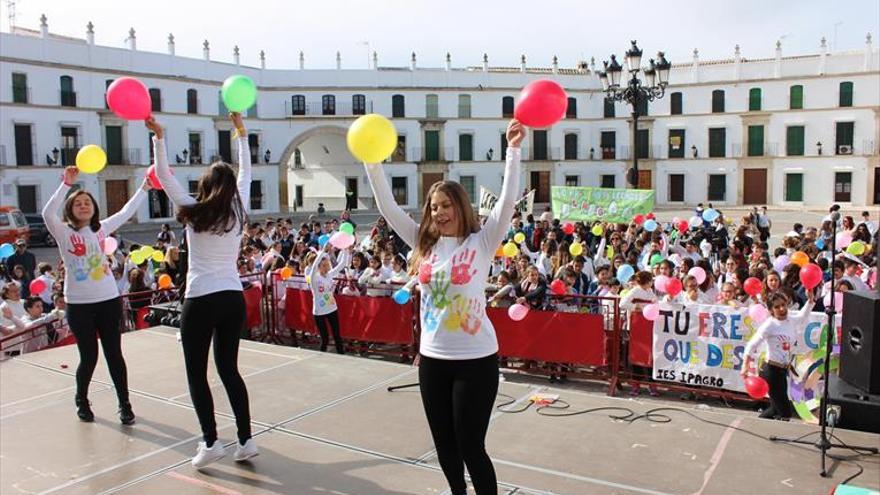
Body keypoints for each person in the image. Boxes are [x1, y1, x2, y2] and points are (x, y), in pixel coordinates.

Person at [363, 119, 524, 495]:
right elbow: (388, 208)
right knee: (445, 447)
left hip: (476, 360)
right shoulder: (423, 244)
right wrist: (372, 161)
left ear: (460, 206)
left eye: (446, 205)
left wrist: (513, 150)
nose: (439, 212)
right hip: (432, 360)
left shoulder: (482, 241)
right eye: (434, 206)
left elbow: (506, 200)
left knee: (471, 446)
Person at [148, 112, 258, 469]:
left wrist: (160, 137)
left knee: (197, 373)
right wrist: (241, 133)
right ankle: (245, 440)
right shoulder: (238, 211)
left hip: (200, 298)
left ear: (205, 185)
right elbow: (247, 173)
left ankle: (211, 441)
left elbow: (164, 176)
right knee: (230, 370)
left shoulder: (194, 210)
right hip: (232, 297)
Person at [42, 165, 149, 424]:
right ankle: (82, 399)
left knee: (114, 354)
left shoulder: (101, 229)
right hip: (79, 305)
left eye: (87, 202)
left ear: (94, 207)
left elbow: (126, 211)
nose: (83, 205)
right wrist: (66, 184)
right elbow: (47, 213)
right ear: (70, 209)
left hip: (108, 301)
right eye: (77, 203)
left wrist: (145, 188)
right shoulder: (63, 231)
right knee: (88, 356)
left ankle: (124, 404)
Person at [742, 290, 815, 420]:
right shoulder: (770, 325)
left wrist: (810, 300)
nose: (782, 309)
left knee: (775, 408)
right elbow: (751, 345)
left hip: (782, 371)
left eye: (783, 305)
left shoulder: (791, 320)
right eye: (777, 307)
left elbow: (802, 316)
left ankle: (757, 425)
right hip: (770, 371)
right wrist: (745, 365)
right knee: (785, 412)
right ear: (770, 310)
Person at [306, 243, 350, 353]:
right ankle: (321, 357)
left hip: (332, 308)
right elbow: (315, 265)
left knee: (337, 336)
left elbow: (342, 264)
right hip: (319, 312)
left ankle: (342, 355)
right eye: (324, 265)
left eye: (327, 265)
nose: (326, 267)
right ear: (319, 266)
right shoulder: (314, 278)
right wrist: (323, 251)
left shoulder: (330, 274)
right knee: (325, 338)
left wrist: (345, 249)